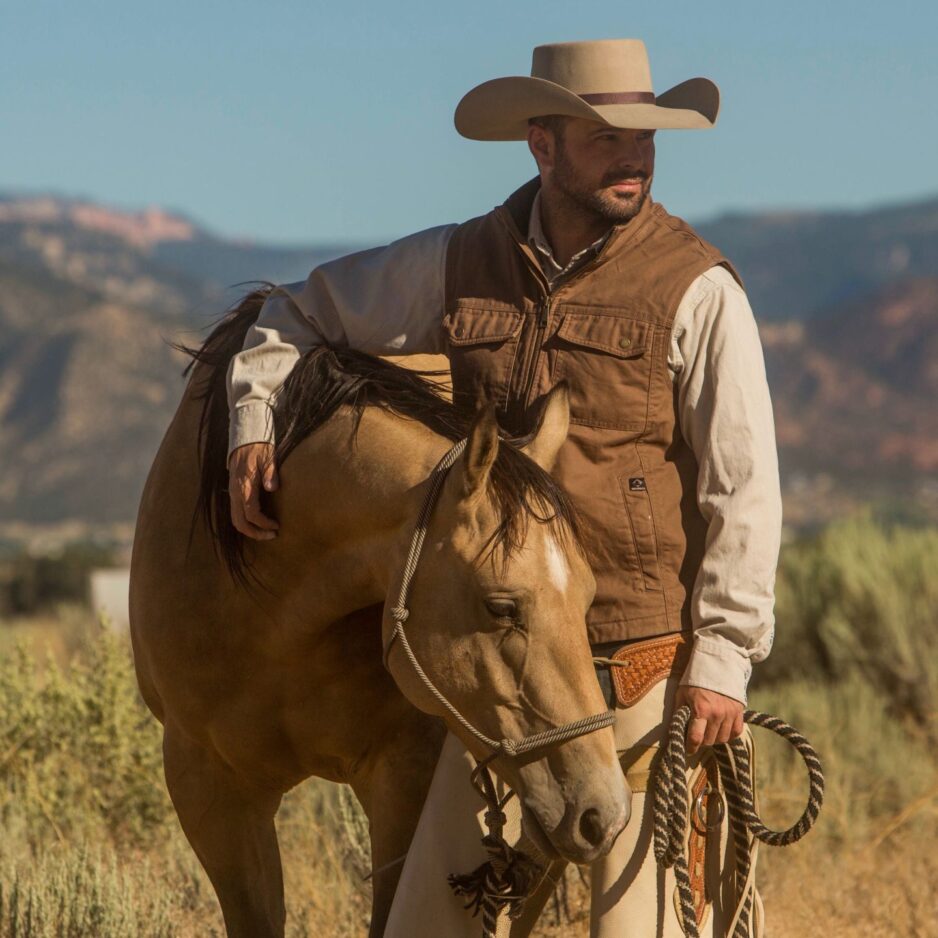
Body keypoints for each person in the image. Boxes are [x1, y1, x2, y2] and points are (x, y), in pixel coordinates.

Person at [226, 38, 780, 937]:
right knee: (430, 924)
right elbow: (298, 309)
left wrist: (721, 662)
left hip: (638, 661)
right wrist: (254, 417)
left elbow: (744, 490)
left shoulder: (698, 288)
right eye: (605, 136)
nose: (633, 155)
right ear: (542, 143)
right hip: (505, 665)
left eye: (644, 135)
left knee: (638, 930)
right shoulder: (459, 261)